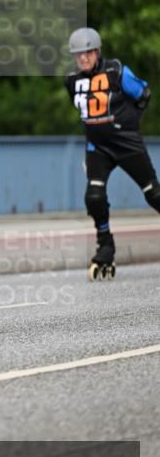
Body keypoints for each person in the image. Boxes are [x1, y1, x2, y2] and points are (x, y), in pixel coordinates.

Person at [65, 27, 159, 279]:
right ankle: (105, 247)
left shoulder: (116, 71)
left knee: (154, 194)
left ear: (97, 52)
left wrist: (130, 124)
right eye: (78, 55)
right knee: (94, 196)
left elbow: (143, 94)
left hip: (127, 144)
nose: (82, 58)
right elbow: (84, 114)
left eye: (87, 53)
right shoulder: (72, 80)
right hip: (98, 149)